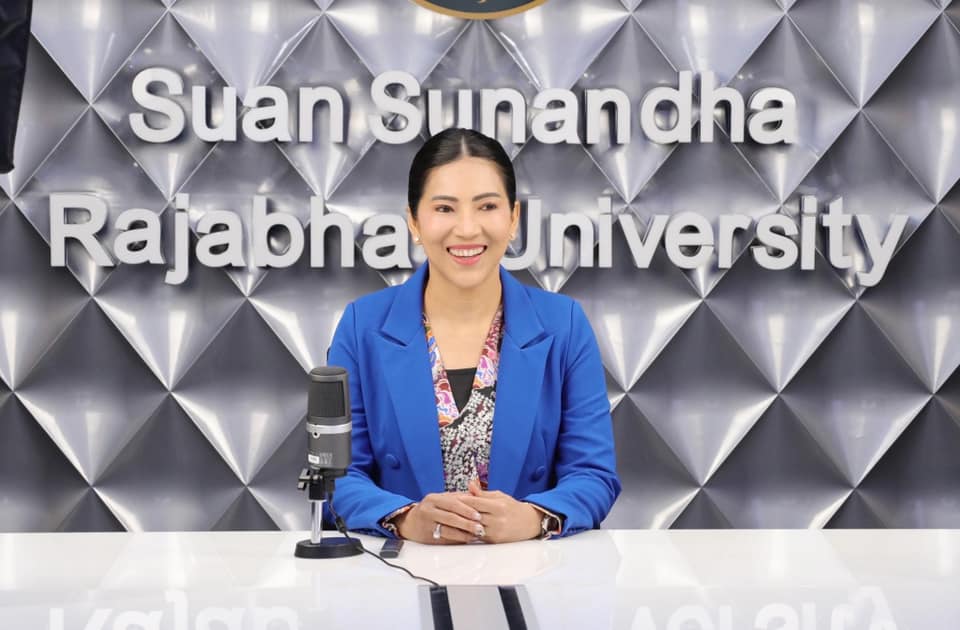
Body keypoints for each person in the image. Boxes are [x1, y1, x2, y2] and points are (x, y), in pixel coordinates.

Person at [327, 128, 620, 544]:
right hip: (400, 571)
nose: (467, 229)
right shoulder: (362, 326)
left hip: (531, 568)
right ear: (413, 221)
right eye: (444, 208)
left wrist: (533, 518)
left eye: (487, 206)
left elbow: (593, 474)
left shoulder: (564, 325)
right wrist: (406, 519)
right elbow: (336, 476)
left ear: (513, 218)